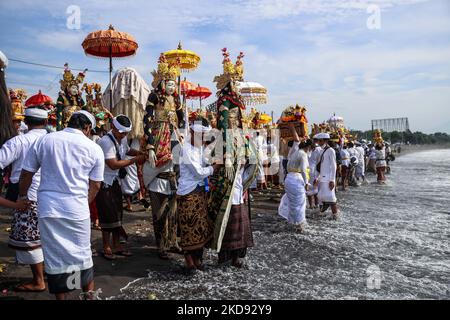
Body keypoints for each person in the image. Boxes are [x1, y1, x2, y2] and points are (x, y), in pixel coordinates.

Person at [20, 110, 104, 300]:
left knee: (57, 258)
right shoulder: (93, 147)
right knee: (81, 255)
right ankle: (88, 297)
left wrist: (22, 196)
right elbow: (96, 185)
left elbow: (26, 174)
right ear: (88, 127)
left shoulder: (45, 141)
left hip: (49, 209)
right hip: (77, 210)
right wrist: (83, 202)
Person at [1, 108, 48, 292]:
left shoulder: (18, 141)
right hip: (53, 196)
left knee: (31, 241)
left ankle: (39, 281)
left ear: (26, 122)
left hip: (28, 196)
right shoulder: (55, 140)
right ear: (45, 123)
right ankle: (51, 276)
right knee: (47, 238)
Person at [96, 115, 146, 260]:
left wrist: (139, 153)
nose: (123, 135)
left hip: (116, 181)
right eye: (121, 132)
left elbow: (127, 150)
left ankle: (117, 245)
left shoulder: (122, 138)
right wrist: (135, 160)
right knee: (107, 215)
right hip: (105, 181)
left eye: (125, 133)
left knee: (117, 213)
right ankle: (106, 245)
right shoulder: (106, 142)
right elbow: (113, 164)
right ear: (112, 128)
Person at [177, 118, 218, 271]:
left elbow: (204, 163)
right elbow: (199, 172)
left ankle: (197, 258)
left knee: (200, 228)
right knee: (189, 228)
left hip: (199, 191)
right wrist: (216, 167)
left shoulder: (199, 147)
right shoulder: (187, 149)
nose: (203, 138)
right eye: (201, 135)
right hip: (188, 192)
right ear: (193, 132)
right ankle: (189, 259)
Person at [278, 124, 311, 232]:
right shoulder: (303, 154)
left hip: (288, 179)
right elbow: (303, 170)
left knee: (293, 203)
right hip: (296, 179)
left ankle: (292, 222)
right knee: (300, 203)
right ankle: (299, 225)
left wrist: (291, 128)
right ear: (308, 147)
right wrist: (306, 183)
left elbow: (296, 140)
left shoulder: (293, 152)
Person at [316, 133, 339, 219]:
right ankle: (322, 213)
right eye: (318, 140)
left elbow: (334, 166)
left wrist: (332, 180)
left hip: (328, 178)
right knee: (321, 197)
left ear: (325, 141)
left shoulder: (331, 150)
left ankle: (335, 215)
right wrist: (317, 177)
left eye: (320, 140)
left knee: (331, 198)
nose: (319, 142)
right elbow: (321, 166)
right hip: (322, 177)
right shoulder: (321, 150)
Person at [307, 136, 322, 209]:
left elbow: (319, 162)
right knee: (311, 188)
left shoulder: (316, 149)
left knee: (313, 188)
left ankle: (314, 205)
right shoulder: (309, 150)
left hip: (312, 170)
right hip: (310, 171)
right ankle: (313, 205)